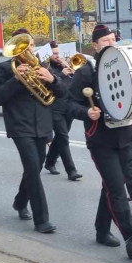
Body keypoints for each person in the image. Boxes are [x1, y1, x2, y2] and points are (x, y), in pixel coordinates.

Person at [67, 24, 132, 259]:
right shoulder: (86, 72)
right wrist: (86, 113)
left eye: (114, 39)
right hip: (100, 139)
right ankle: (131, 237)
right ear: (95, 45)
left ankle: (102, 230)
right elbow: (68, 104)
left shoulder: (126, 67)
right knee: (116, 187)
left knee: (111, 185)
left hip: (125, 136)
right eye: (105, 41)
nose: (111, 44)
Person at [0, 28, 63, 234]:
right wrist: (15, 80)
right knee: (32, 167)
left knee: (36, 167)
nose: (29, 49)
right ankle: (42, 220)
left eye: (31, 45)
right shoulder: (5, 68)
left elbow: (62, 93)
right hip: (19, 125)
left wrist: (53, 80)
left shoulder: (42, 66)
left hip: (42, 125)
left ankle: (20, 202)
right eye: (25, 46)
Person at [43, 41, 82, 181]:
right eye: (54, 54)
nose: (57, 56)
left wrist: (74, 71)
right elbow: (49, 84)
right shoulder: (46, 67)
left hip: (68, 106)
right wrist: (63, 74)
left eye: (58, 53)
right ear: (48, 55)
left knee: (60, 137)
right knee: (64, 137)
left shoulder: (66, 65)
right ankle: (71, 171)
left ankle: (49, 162)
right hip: (54, 107)